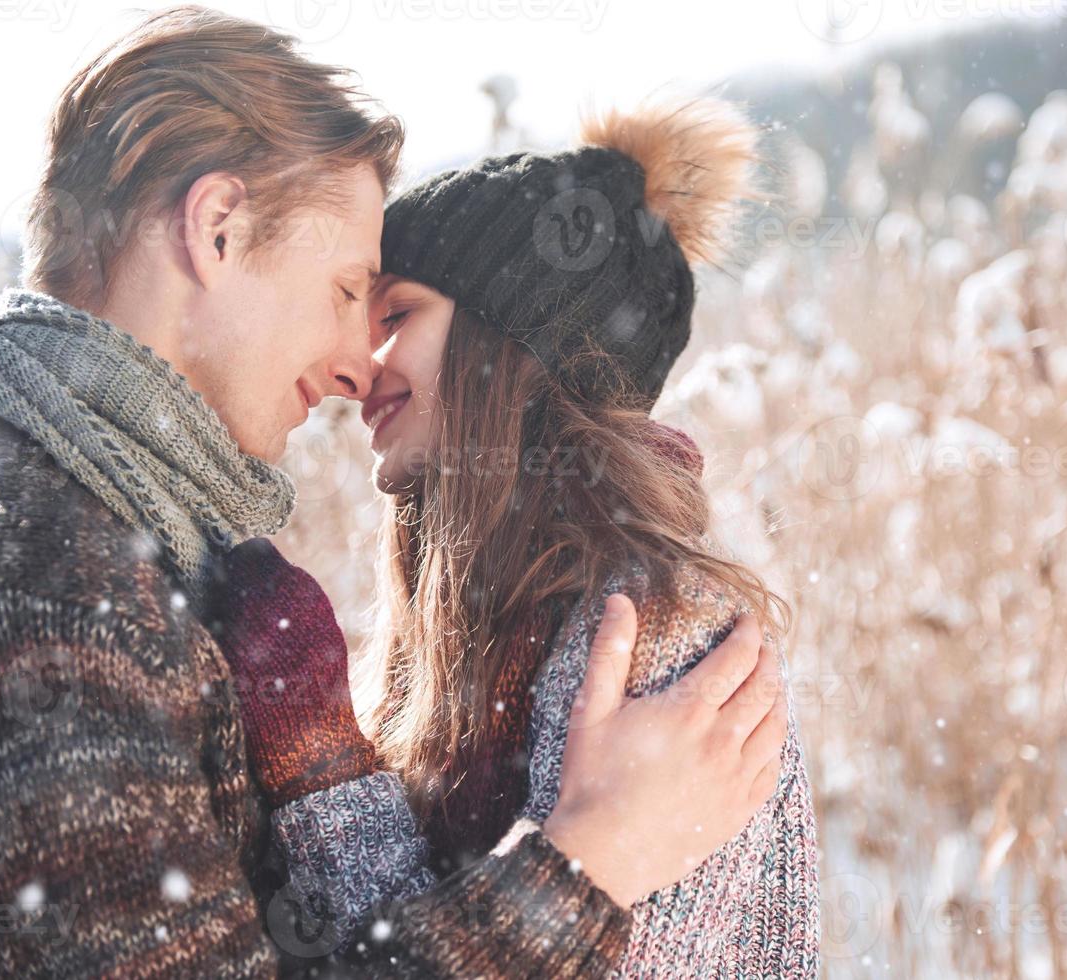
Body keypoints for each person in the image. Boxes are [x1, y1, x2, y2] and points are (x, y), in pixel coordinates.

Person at [0, 9, 783, 977]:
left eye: (384, 307)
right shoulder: (61, 602)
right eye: (344, 291)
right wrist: (582, 866)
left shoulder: (67, 537)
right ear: (217, 230)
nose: (348, 367)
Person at [216, 97, 821, 977]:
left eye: (397, 318)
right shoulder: (489, 616)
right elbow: (435, 939)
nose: (358, 369)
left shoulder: (653, 634)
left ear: (514, 343)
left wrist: (325, 771)